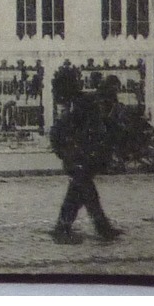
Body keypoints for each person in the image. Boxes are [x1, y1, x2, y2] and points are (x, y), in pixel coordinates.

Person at [50, 89, 123, 243]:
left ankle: (64, 227)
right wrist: (66, 154)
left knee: (75, 197)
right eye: (95, 104)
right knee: (90, 197)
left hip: (85, 165)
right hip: (77, 164)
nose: (99, 107)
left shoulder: (91, 120)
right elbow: (56, 137)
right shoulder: (72, 120)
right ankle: (98, 229)